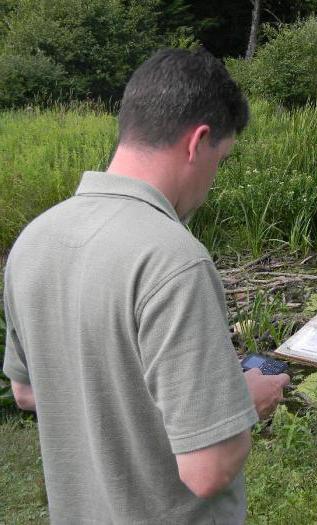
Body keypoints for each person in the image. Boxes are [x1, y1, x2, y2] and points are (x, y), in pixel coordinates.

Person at [2, 48, 290, 524]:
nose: (213, 179)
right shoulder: (174, 260)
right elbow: (209, 469)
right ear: (197, 142)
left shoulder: (34, 239)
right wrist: (246, 400)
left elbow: (26, 392)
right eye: (221, 159)